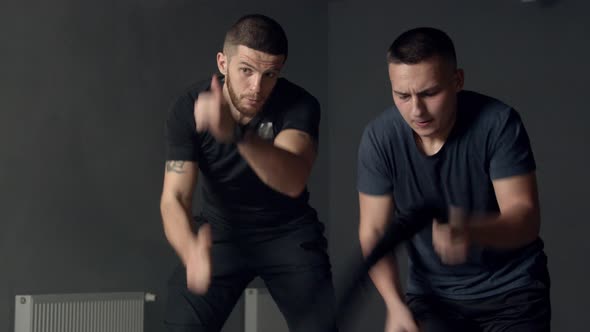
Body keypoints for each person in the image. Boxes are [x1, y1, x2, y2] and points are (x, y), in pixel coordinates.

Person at [357, 27, 551, 332]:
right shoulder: (380, 138)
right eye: (402, 96)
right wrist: (395, 305)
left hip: (512, 293)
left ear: (457, 81)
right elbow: (373, 230)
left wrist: (471, 229)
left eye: (429, 93)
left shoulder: (498, 123)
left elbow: (525, 218)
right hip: (432, 298)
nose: (416, 110)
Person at [160, 14, 336, 332]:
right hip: (221, 233)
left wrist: (237, 136)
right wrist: (190, 250)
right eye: (246, 70)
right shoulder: (188, 107)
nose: (257, 87)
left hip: (288, 233)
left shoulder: (299, 105)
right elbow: (174, 196)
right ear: (223, 63)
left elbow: (293, 180)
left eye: (270, 74)